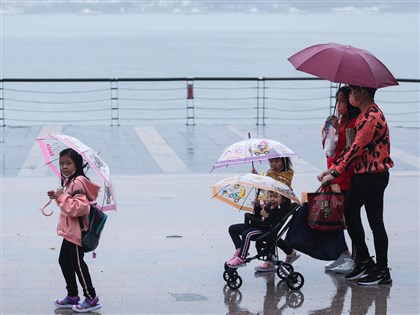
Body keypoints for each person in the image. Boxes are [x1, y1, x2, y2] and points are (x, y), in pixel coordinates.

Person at [318, 85, 393, 286]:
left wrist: (334, 172)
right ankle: (365, 261)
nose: (350, 96)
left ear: (363, 93)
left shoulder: (371, 117)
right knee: (350, 214)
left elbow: (356, 150)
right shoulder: (362, 115)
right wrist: (332, 168)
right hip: (362, 175)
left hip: (373, 175)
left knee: (375, 221)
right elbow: (350, 149)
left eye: (352, 92)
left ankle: (382, 271)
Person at [49, 148, 102, 312]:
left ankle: (91, 297)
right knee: (64, 261)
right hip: (70, 231)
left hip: (76, 232)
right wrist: (57, 196)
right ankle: (72, 295)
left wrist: (61, 197)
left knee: (78, 266)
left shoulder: (77, 182)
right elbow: (68, 203)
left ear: (77, 164)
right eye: (62, 163)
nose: (64, 167)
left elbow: (80, 208)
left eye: (68, 163)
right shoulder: (70, 181)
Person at [322, 86, 360, 274]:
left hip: (344, 176)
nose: (339, 105)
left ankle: (355, 257)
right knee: (336, 217)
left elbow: (350, 150)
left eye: (343, 101)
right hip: (332, 175)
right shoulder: (340, 121)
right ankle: (343, 253)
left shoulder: (353, 123)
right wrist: (330, 129)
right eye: (338, 101)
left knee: (346, 217)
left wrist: (339, 130)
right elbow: (329, 148)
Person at [226, 190, 300, 268]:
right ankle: (239, 250)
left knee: (247, 234)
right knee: (232, 229)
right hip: (258, 226)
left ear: (282, 199)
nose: (272, 199)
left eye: (275, 197)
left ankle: (241, 258)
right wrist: (257, 207)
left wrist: (267, 216)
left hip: (266, 230)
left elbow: (272, 223)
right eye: (270, 196)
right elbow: (258, 217)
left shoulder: (280, 210)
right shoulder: (268, 206)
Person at [252, 157, 299, 272]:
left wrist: (264, 181)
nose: (274, 164)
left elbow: (279, 189)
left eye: (277, 161)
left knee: (271, 233)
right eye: (271, 161)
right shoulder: (270, 173)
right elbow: (266, 189)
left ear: (284, 161)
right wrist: (257, 178)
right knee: (272, 234)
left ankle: (271, 261)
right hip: (271, 204)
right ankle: (288, 253)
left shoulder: (287, 173)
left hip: (281, 207)